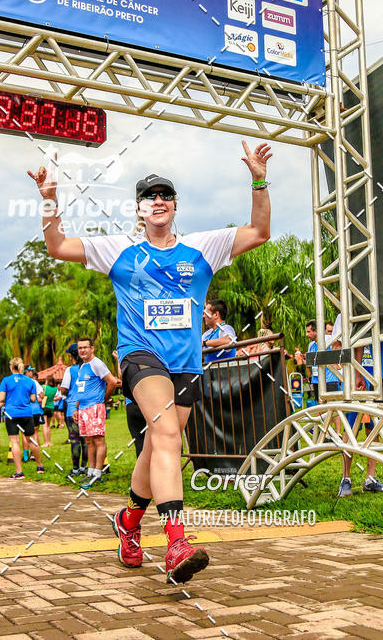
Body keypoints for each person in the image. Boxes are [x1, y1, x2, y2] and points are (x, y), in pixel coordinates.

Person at [29, 140, 271, 584]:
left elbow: (258, 232)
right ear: (139, 210)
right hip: (140, 357)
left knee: (163, 443)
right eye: (148, 197)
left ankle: (129, 520)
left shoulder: (203, 248)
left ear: (175, 205)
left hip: (186, 365)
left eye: (164, 195)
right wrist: (49, 201)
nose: (157, 201)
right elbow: (58, 247)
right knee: (164, 432)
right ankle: (176, 541)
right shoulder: (118, 249)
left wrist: (258, 179)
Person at [336, 313, 383, 496]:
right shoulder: (347, 312)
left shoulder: (377, 307)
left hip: (376, 378)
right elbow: (339, 345)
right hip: (357, 379)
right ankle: (345, 479)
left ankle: (370, 478)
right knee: (350, 428)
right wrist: (356, 373)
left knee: (374, 428)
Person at [71, 338, 118, 489]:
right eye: (80, 348)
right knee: (89, 441)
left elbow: (112, 381)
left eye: (85, 347)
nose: (82, 350)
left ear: (92, 348)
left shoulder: (97, 363)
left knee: (98, 440)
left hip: (95, 407)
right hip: (83, 408)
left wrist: (103, 399)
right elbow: (81, 389)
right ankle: (90, 472)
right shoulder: (83, 366)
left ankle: (98, 473)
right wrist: (77, 408)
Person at [0, 357, 44, 479]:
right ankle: (40, 466)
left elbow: (1, 398)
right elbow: (33, 399)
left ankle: (19, 471)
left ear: (11, 367)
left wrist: (10, 397)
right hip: (27, 413)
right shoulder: (30, 381)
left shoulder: (6, 380)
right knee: (31, 439)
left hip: (11, 414)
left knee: (14, 441)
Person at [60, 342, 88, 477]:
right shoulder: (88, 368)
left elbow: (64, 388)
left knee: (75, 440)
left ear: (71, 355)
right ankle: (85, 467)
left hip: (72, 409)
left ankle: (75, 469)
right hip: (86, 408)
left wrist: (65, 392)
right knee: (86, 440)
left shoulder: (70, 370)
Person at [42, 378, 58, 446]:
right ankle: (49, 441)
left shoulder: (44, 387)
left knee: (44, 425)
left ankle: (45, 442)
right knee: (48, 425)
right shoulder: (55, 389)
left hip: (44, 406)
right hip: (51, 407)